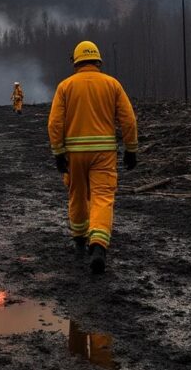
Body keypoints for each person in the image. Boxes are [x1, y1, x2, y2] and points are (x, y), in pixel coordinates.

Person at [48, 41, 138, 274]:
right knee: (102, 197)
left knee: (76, 194)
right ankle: (98, 245)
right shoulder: (112, 84)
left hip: (74, 154)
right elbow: (128, 119)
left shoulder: (65, 86)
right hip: (103, 154)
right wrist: (131, 148)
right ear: (98, 60)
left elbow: (55, 123)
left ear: (76, 61)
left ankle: (79, 239)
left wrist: (58, 152)